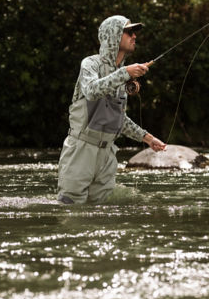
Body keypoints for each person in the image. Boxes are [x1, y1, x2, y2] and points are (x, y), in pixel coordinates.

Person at [57, 14, 166, 204]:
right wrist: (125, 73)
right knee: (70, 210)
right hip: (81, 150)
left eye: (135, 33)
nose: (134, 36)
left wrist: (147, 138)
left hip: (107, 154)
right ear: (113, 35)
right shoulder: (91, 64)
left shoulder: (124, 75)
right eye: (129, 31)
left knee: (101, 215)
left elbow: (118, 118)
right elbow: (91, 91)